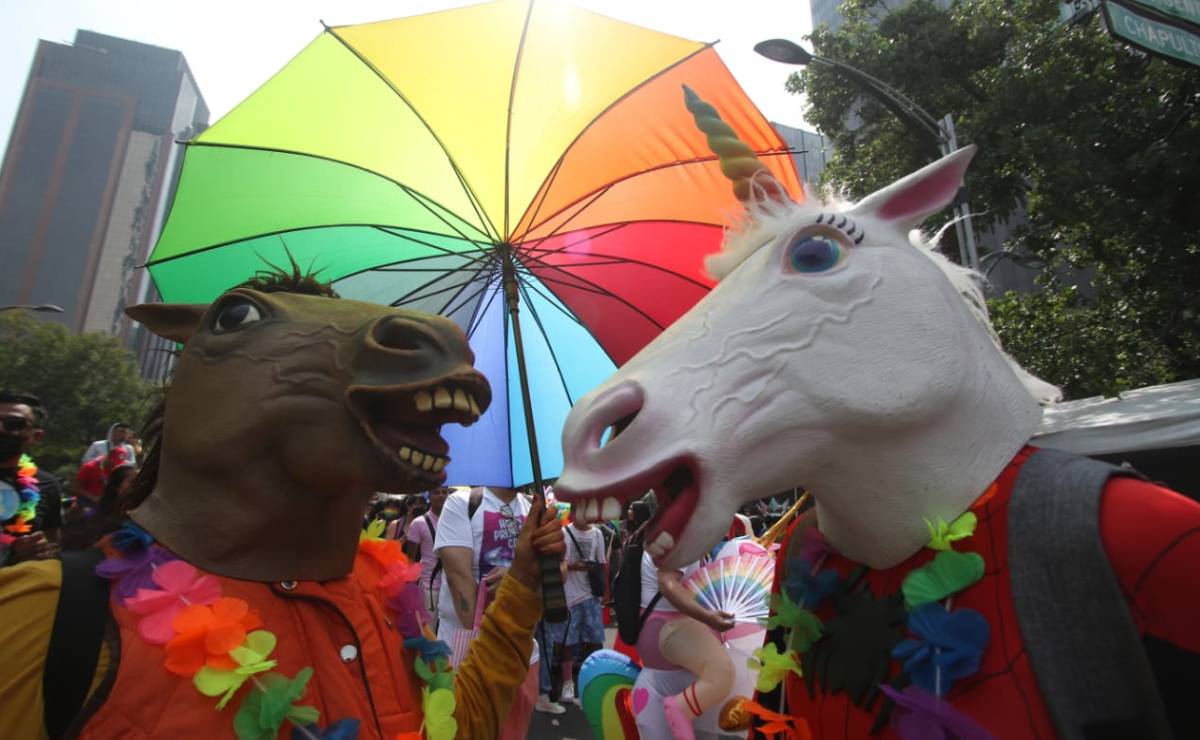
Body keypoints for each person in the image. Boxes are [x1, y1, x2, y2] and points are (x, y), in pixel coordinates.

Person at [435, 485, 541, 740]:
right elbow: (458, 579)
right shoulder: (461, 503)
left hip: (523, 655)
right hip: (466, 653)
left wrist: (518, 577)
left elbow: (551, 575)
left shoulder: (533, 509)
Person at [636, 550, 735, 740]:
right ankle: (680, 710)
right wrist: (707, 616)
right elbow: (667, 582)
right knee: (723, 673)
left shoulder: (666, 536)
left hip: (665, 665)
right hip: (671, 632)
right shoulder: (682, 539)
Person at [0, 390, 63, 566]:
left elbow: (54, 548)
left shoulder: (47, 484)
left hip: (17, 587)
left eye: (14, 424)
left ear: (36, 436)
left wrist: (38, 551)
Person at [553, 505, 607, 704]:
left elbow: (601, 564)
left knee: (595, 639)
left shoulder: (598, 534)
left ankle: (597, 679)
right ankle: (568, 683)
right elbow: (558, 563)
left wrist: (603, 595)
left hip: (590, 595)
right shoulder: (564, 533)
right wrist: (573, 566)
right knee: (566, 641)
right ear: (574, 514)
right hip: (569, 595)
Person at [404, 487, 449, 630]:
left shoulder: (456, 521)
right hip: (429, 584)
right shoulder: (419, 523)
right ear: (429, 496)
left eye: (444, 492)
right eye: (436, 492)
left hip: (451, 584)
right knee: (428, 630)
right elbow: (410, 558)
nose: (441, 496)